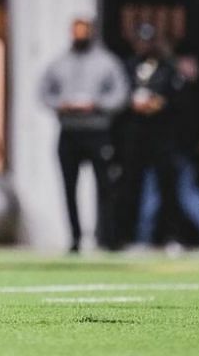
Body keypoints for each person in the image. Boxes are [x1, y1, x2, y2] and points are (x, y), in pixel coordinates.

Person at [37, 15, 128, 251]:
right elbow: (44, 92)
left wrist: (97, 104)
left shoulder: (107, 62)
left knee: (105, 187)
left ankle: (106, 237)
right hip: (69, 131)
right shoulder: (59, 63)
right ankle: (75, 238)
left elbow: (120, 94)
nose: (80, 36)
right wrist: (60, 105)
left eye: (84, 32)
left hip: (97, 131)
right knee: (69, 187)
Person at [118, 22, 187, 250]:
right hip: (136, 134)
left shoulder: (167, 67)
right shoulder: (128, 66)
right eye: (141, 40)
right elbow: (119, 95)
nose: (144, 45)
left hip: (161, 135)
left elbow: (178, 99)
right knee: (131, 185)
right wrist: (132, 104)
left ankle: (170, 236)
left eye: (148, 40)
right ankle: (132, 237)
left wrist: (160, 104)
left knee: (168, 188)